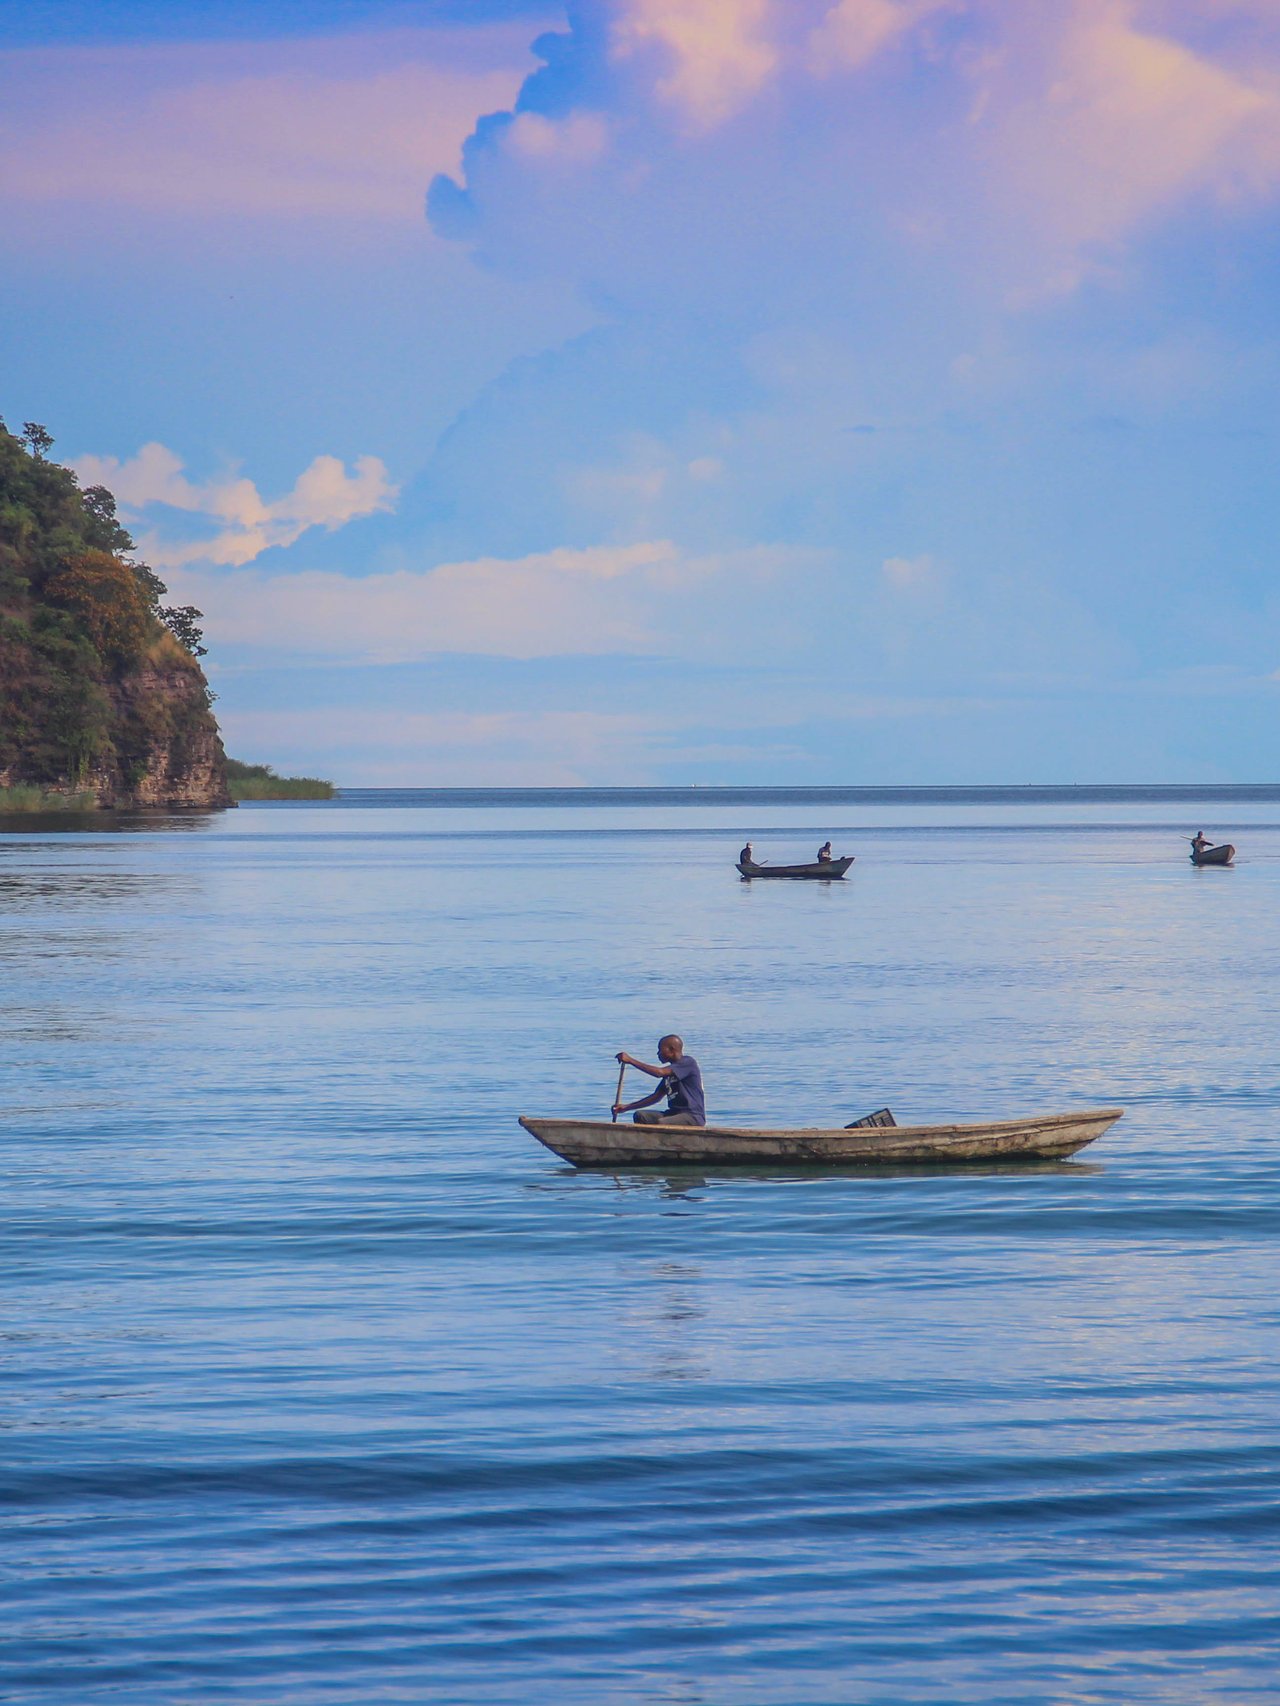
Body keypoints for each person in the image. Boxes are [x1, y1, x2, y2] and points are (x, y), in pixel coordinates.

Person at [613, 1035, 706, 1127]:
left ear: (672, 1049)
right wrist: (626, 1107)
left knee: (662, 1123)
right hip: (674, 1113)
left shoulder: (688, 1062)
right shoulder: (669, 1073)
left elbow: (659, 1073)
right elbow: (656, 1096)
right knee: (640, 1116)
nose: (658, 1053)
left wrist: (630, 1060)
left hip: (692, 1116)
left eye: (660, 1050)